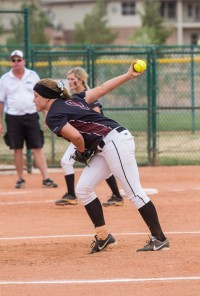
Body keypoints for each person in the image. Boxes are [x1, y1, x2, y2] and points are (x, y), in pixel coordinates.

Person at [33, 60, 169, 254]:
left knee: (133, 191)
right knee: (83, 189)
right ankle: (104, 237)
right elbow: (103, 88)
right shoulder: (74, 99)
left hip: (115, 142)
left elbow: (76, 137)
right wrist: (128, 75)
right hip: (107, 145)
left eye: (36, 95)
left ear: (46, 97)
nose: (34, 100)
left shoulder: (53, 114)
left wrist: (81, 151)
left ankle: (160, 239)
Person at [55, 67, 124, 206]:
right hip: (84, 135)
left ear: (80, 80)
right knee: (102, 164)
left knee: (66, 161)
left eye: (72, 79)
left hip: (92, 136)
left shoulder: (86, 95)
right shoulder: (75, 95)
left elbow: (97, 114)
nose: (69, 82)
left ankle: (71, 195)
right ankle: (116, 195)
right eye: (68, 79)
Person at [0, 50, 58, 189]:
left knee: (37, 147)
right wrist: (0, 121)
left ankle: (46, 178)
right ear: (11, 62)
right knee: (17, 149)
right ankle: (21, 179)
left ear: (24, 61)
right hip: (13, 117)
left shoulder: (32, 75)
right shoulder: (5, 79)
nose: (16, 63)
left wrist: (46, 116)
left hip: (31, 116)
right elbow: (1, 102)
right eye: (13, 60)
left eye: (19, 60)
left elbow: (42, 97)